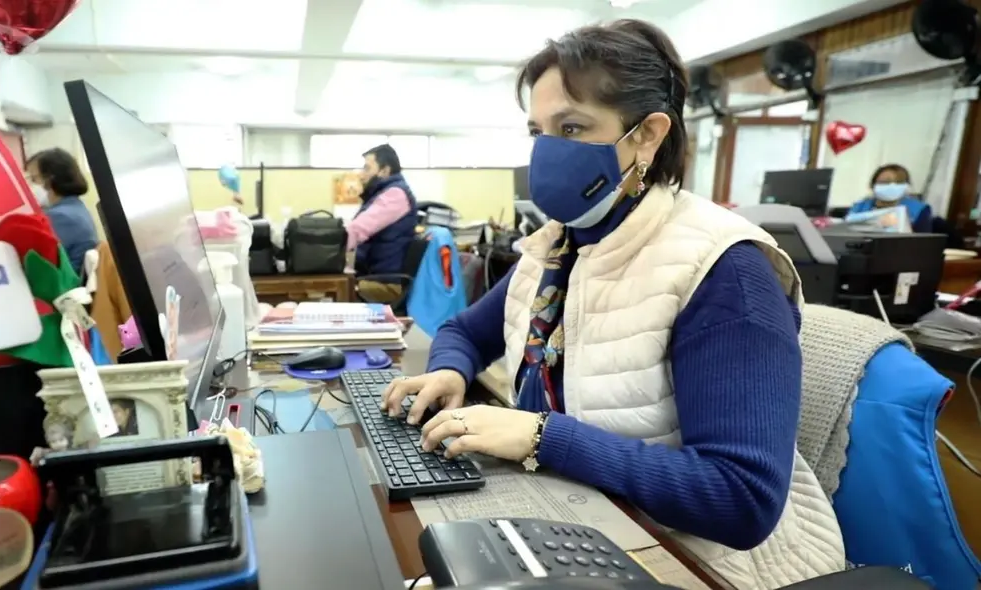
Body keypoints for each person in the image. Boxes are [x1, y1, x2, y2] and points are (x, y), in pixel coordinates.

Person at [380, 19, 845, 589]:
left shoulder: (724, 271)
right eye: (538, 131)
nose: (548, 152)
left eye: (572, 127)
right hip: (574, 515)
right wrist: (449, 371)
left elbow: (741, 499)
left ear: (647, 134)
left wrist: (542, 437)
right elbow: (465, 331)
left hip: (705, 560)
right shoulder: (560, 244)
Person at [349, 144, 419, 304]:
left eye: (367, 168)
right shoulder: (382, 194)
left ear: (385, 171)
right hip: (374, 277)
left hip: (386, 284)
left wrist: (330, 248)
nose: (361, 175)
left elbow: (358, 229)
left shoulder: (395, 195)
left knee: (334, 290)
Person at [25, 148, 98, 274]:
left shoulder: (60, 217)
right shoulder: (75, 207)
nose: (30, 186)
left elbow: (35, 261)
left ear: (51, 179)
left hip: (64, 283)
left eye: (34, 179)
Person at [847, 164, 932, 232]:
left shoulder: (919, 209)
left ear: (906, 186)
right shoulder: (859, 207)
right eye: (885, 182)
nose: (892, 186)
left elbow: (924, 241)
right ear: (873, 185)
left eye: (898, 182)